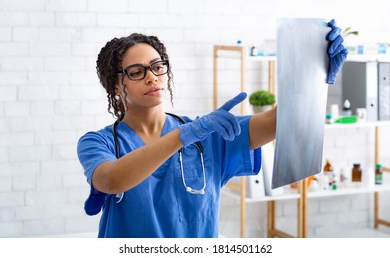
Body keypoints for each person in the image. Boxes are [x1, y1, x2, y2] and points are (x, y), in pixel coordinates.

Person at [77, 20, 347, 238]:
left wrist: (316, 73)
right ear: (115, 85)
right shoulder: (98, 143)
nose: (152, 77)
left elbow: (284, 120)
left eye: (158, 67)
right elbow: (110, 180)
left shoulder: (208, 135)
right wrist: (183, 137)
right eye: (137, 71)